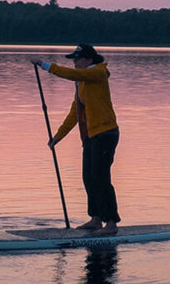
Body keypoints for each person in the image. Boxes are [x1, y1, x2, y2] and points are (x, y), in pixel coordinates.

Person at [33, 43, 121, 235]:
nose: (74, 62)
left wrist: (45, 65)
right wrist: (57, 137)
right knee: (88, 177)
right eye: (73, 59)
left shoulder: (97, 73)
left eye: (77, 58)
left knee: (101, 178)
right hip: (90, 136)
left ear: (89, 59)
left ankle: (112, 223)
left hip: (106, 133)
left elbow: (75, 74)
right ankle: (96, 219)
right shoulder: (81, 82)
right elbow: (75, 113)